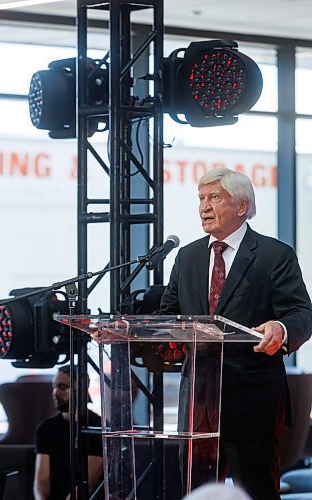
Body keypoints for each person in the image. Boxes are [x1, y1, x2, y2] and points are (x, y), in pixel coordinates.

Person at [160, 167, 312, 500]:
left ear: (241, 206)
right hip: (197, 404)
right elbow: (167, 315)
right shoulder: (187, 257)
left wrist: (280, 327)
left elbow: (302, 314)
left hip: (251, 403)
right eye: (201, 198)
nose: (204, 207)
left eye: (214, 197)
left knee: (255, 492)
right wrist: (128, 332)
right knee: (195, 494)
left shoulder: (274, 256)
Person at [33, 364, 103, 500]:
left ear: (81, 390)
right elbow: (41, 481)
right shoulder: (46, 428)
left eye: (62, 387)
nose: (55, 392)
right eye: (54, 386)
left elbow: (88, 483)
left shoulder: (96, 427)